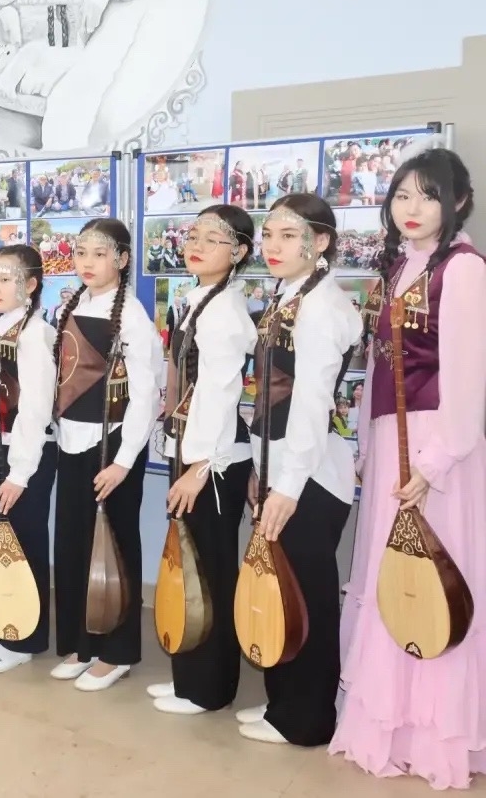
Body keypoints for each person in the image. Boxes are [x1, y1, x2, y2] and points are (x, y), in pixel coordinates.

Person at [331, 144, 486, 790]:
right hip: (391, 440)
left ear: (458, 202)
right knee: (389, 577)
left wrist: (437, 458)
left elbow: (469, 379)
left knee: (435, 577)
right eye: (401, 195)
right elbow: (380, 367)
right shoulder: (397, 268)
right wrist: (369, 447)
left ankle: (435, 736)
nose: (412, 208)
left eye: (428, 195)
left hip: (438, 445)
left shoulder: (464, 270)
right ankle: (388, 725)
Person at [241, 194, 362, 745]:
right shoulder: (289, 295)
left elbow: (312, 405)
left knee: (306, 596)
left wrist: (286, 488)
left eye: (288, 236)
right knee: (279, 589)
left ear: (322, 242)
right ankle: (281, 705)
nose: (273, 246)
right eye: (268, 234)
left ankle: (308, 719)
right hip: (282, 467)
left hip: (309, 477)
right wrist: (262, 469)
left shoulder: (321, 308)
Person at [150, 205, 257, 715]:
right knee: (188, 564)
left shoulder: (225, 313)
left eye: (213, 240)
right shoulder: (199, 300)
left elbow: (219, 392)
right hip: (193, 451)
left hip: (213, 463)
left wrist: (198, 468)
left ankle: (208, 689)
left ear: (239, 252)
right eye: (194, 235)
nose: (197, 245)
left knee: (209, 570)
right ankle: (187, 678)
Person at [51, 219, 161, 691]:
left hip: (112, 445)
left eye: (99, 254)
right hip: (71, 441)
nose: (88, 263)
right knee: (73, 545)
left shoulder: (132, 316)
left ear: (122, 259)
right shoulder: (72, 306)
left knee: (114, 548)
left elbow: (147, 394)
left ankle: (117, 652)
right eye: (81, 253)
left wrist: (123, 461)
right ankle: (82, 642)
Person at [0, 244, 58, 675]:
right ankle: (0, 631)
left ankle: (24, 640)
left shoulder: (36, 333)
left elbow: (36, 408)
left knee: (22, 545)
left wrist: (20, 473)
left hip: (27, 455)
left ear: (31, 285)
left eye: (6, 279)